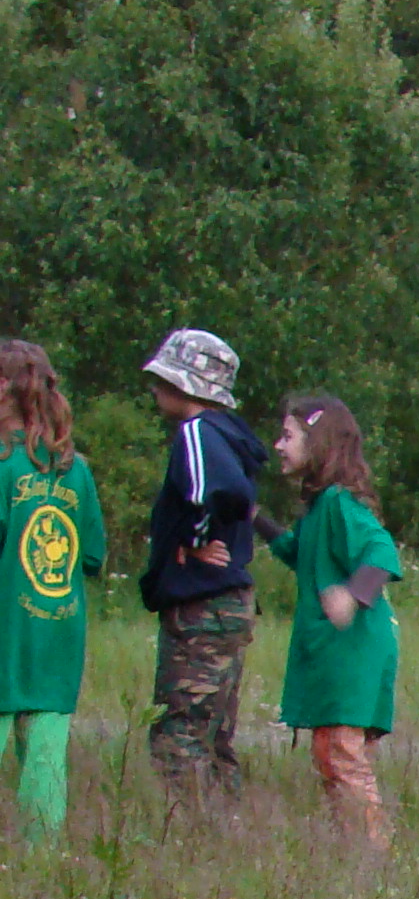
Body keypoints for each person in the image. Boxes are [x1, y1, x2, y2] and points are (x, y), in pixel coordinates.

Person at [266, 395, 403, 849]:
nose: (278, 445)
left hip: (354, 654)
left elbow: (381, 551)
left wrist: (353, 595)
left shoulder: (340, 504)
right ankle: (353, 846)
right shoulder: (319, 509)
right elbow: (299, 551)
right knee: (329, 753)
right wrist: (253, 519)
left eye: (288, 436)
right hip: (336, 655)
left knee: (343, 756)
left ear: (319, 444)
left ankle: (372, 853)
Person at [135, 328, 266, 801]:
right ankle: (225, 822)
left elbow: (218, 490)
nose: (155, 389)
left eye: (162, 380)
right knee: (215, 731)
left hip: (200, 603)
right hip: (230, 603)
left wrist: (193, 541)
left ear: (183, 384)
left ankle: (188, 827)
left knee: (181, 732)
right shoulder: (232, 433)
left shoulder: (197, 432)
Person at [0, 341, 105, 848]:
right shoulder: (74, 469)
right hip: (58, 634)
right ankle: (39, 862)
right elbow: (92, 555)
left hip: (6, 633)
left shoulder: (2, 464)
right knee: (44, 760)